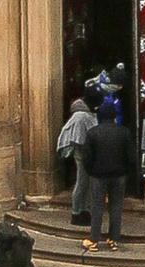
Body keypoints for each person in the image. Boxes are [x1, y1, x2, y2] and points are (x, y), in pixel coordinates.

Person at [79, 93, 138, 249]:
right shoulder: (124, 132)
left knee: (97, 207)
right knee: (116, 207)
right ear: (114, 115)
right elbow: (131, 156)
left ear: (100, 115)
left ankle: (94, 239)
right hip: (119, 175)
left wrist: (91, 171)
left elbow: (87, 157)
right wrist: (126, 171)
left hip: (98, 176)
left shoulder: (93, 133)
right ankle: (113, 239)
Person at [55, 85, 99, 227]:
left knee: (86, 183)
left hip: (88, 152)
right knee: (81, 183)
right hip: (83, 153)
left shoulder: (89, 113)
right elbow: (78, 138)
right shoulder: (80, 116)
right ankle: (76, 212)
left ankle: (84, 210)